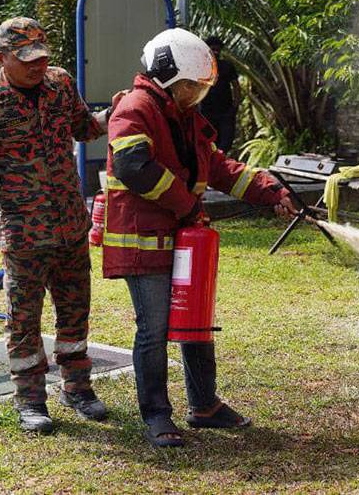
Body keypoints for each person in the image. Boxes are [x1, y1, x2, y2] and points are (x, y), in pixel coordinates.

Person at [103, 28, 295, 448]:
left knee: (196, 321)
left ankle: (204, 406)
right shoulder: (134, 108)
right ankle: (156, 415)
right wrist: (186, 206)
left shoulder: (183, 115)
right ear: (169, 77)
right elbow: (135, 167)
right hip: (145, 241)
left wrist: (270, 190)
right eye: (192, 86)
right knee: (153, 330)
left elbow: (218, 166)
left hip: (182, 239)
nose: (197, 95)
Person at [0, 17, 123, 434]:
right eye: (26, 59)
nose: (37, 66)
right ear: (1, 58)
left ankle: (78, 388)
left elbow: (82, 126)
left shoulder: (60, 84)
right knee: (23, 319)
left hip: (70, 225)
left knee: (75, 313)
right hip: (23, 234)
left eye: (42, 57)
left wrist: (112, 114)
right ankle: (31, 399)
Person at [199, 36, 242, 152]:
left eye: (218, 50)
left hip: (226, 112)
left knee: (226, 143)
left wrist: (235, 106)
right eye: (213, 49)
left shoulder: (227, 66)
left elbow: (236, 86)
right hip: (207, 114)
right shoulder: (202, 67)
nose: (216, 52)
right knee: (209, 143)